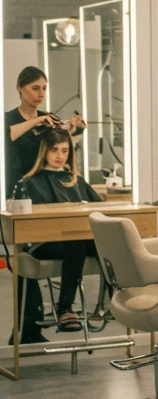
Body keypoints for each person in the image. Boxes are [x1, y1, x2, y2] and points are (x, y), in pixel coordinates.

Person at [13, 127, 100, 341]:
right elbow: (21, 226)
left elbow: (99, 211)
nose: (60, 156)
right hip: (42, 244)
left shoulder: (75, 180)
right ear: (44, 151)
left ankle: (113, 301)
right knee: (76, 243)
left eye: (64, 150)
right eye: (54, 150)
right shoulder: (28, 183)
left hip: (74, 241)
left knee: (109, 242)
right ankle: (64, 309)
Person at [5, 66, 86, 195]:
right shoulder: (7, 119)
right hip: (15, 185)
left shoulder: (49, 118)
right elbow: (6, 135)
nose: (41, 94)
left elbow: (57, 141)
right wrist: (36, 121)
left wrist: (72, 128)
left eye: (44, 88)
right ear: (19, 88)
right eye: (35, 88)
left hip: (44, 186)